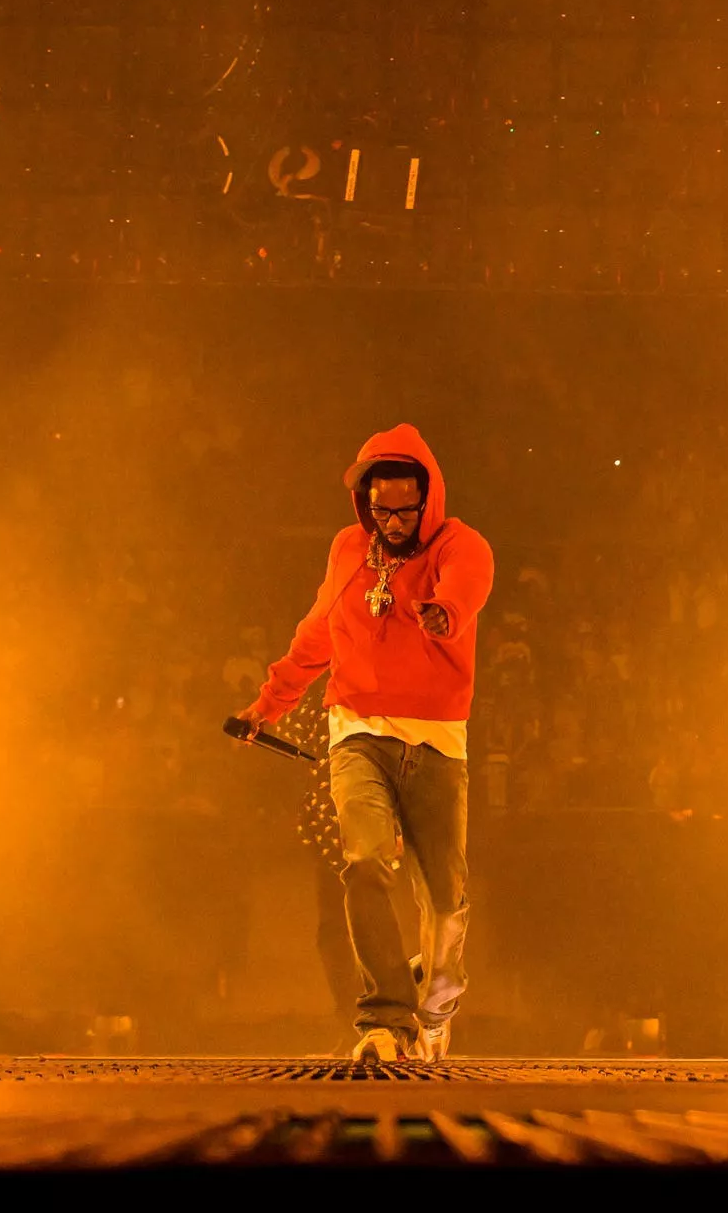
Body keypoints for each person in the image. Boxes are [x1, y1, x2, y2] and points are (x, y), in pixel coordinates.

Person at [231, 426, 492, 1065]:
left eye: (406, 508)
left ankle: (434, 1007)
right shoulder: (350, 551)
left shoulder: (460, 544)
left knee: (445, 899)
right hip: (358, 734)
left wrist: (444, 612)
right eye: (382, 509)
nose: (395, 521)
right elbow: (316, 635)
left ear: (426, 500)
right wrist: (267, 706)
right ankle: (383, 1018)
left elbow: (466, 584)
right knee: (367, 860)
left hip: (435, 742)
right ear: (365, 505)